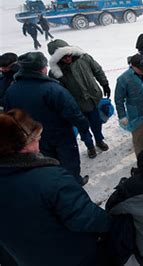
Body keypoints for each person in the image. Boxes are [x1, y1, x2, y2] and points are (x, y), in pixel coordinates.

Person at [0, 109, 111, 266]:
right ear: (21, 145)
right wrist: (112, 223)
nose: (39, 142)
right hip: (75, 257)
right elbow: (87, 218)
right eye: (36, 138)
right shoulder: (51, 180)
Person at [4, 52, 90, 185]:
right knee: (69, 162)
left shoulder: (11, 91)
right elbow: (72, 111)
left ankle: (54, 185)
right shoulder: (53, 89)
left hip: (32, 138)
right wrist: (83, 126)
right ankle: (74, 184)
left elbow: (9, 116)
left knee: (46, 164)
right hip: (60, 135)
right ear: (42, 69)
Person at [48, 39, 111, 159]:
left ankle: (99, 140)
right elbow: (58, 92)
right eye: (63, 57)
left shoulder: (84, 58)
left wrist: (105, 84)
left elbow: (97, 70)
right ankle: (90, 147)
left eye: (68, 55)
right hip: (76, 106)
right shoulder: (55, 73)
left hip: (93, 99)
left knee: (96, 123)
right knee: (83, 128)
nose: (67, 58)